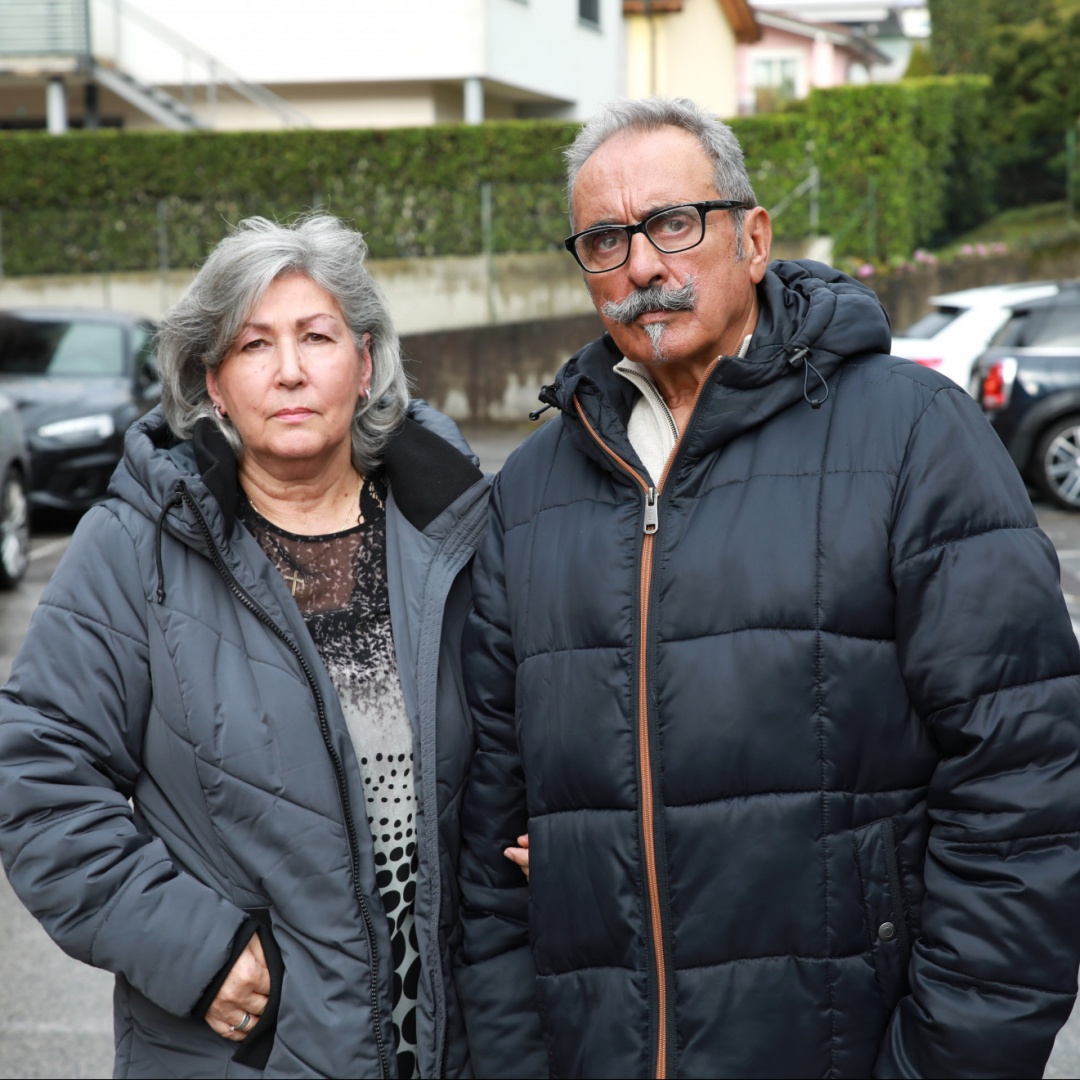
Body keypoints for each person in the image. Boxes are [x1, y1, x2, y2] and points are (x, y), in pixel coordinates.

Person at [456, 97, 1080, 1078]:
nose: (642, 265)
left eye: (673, 222)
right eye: (605, 239)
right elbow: (493, 845)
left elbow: (1025, 792)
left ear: (752, 239)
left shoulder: (914, 435)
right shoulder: (531, 491)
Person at [0, 214, 490, 1079]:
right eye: (254, 344)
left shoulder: (452, 530)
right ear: (214, 383)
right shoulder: (135, 545)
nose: (290, 369)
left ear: (365, 364)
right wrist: (193, 948)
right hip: (245, 1049)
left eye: (317, 337)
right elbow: (36, 777)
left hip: (450, 1043)